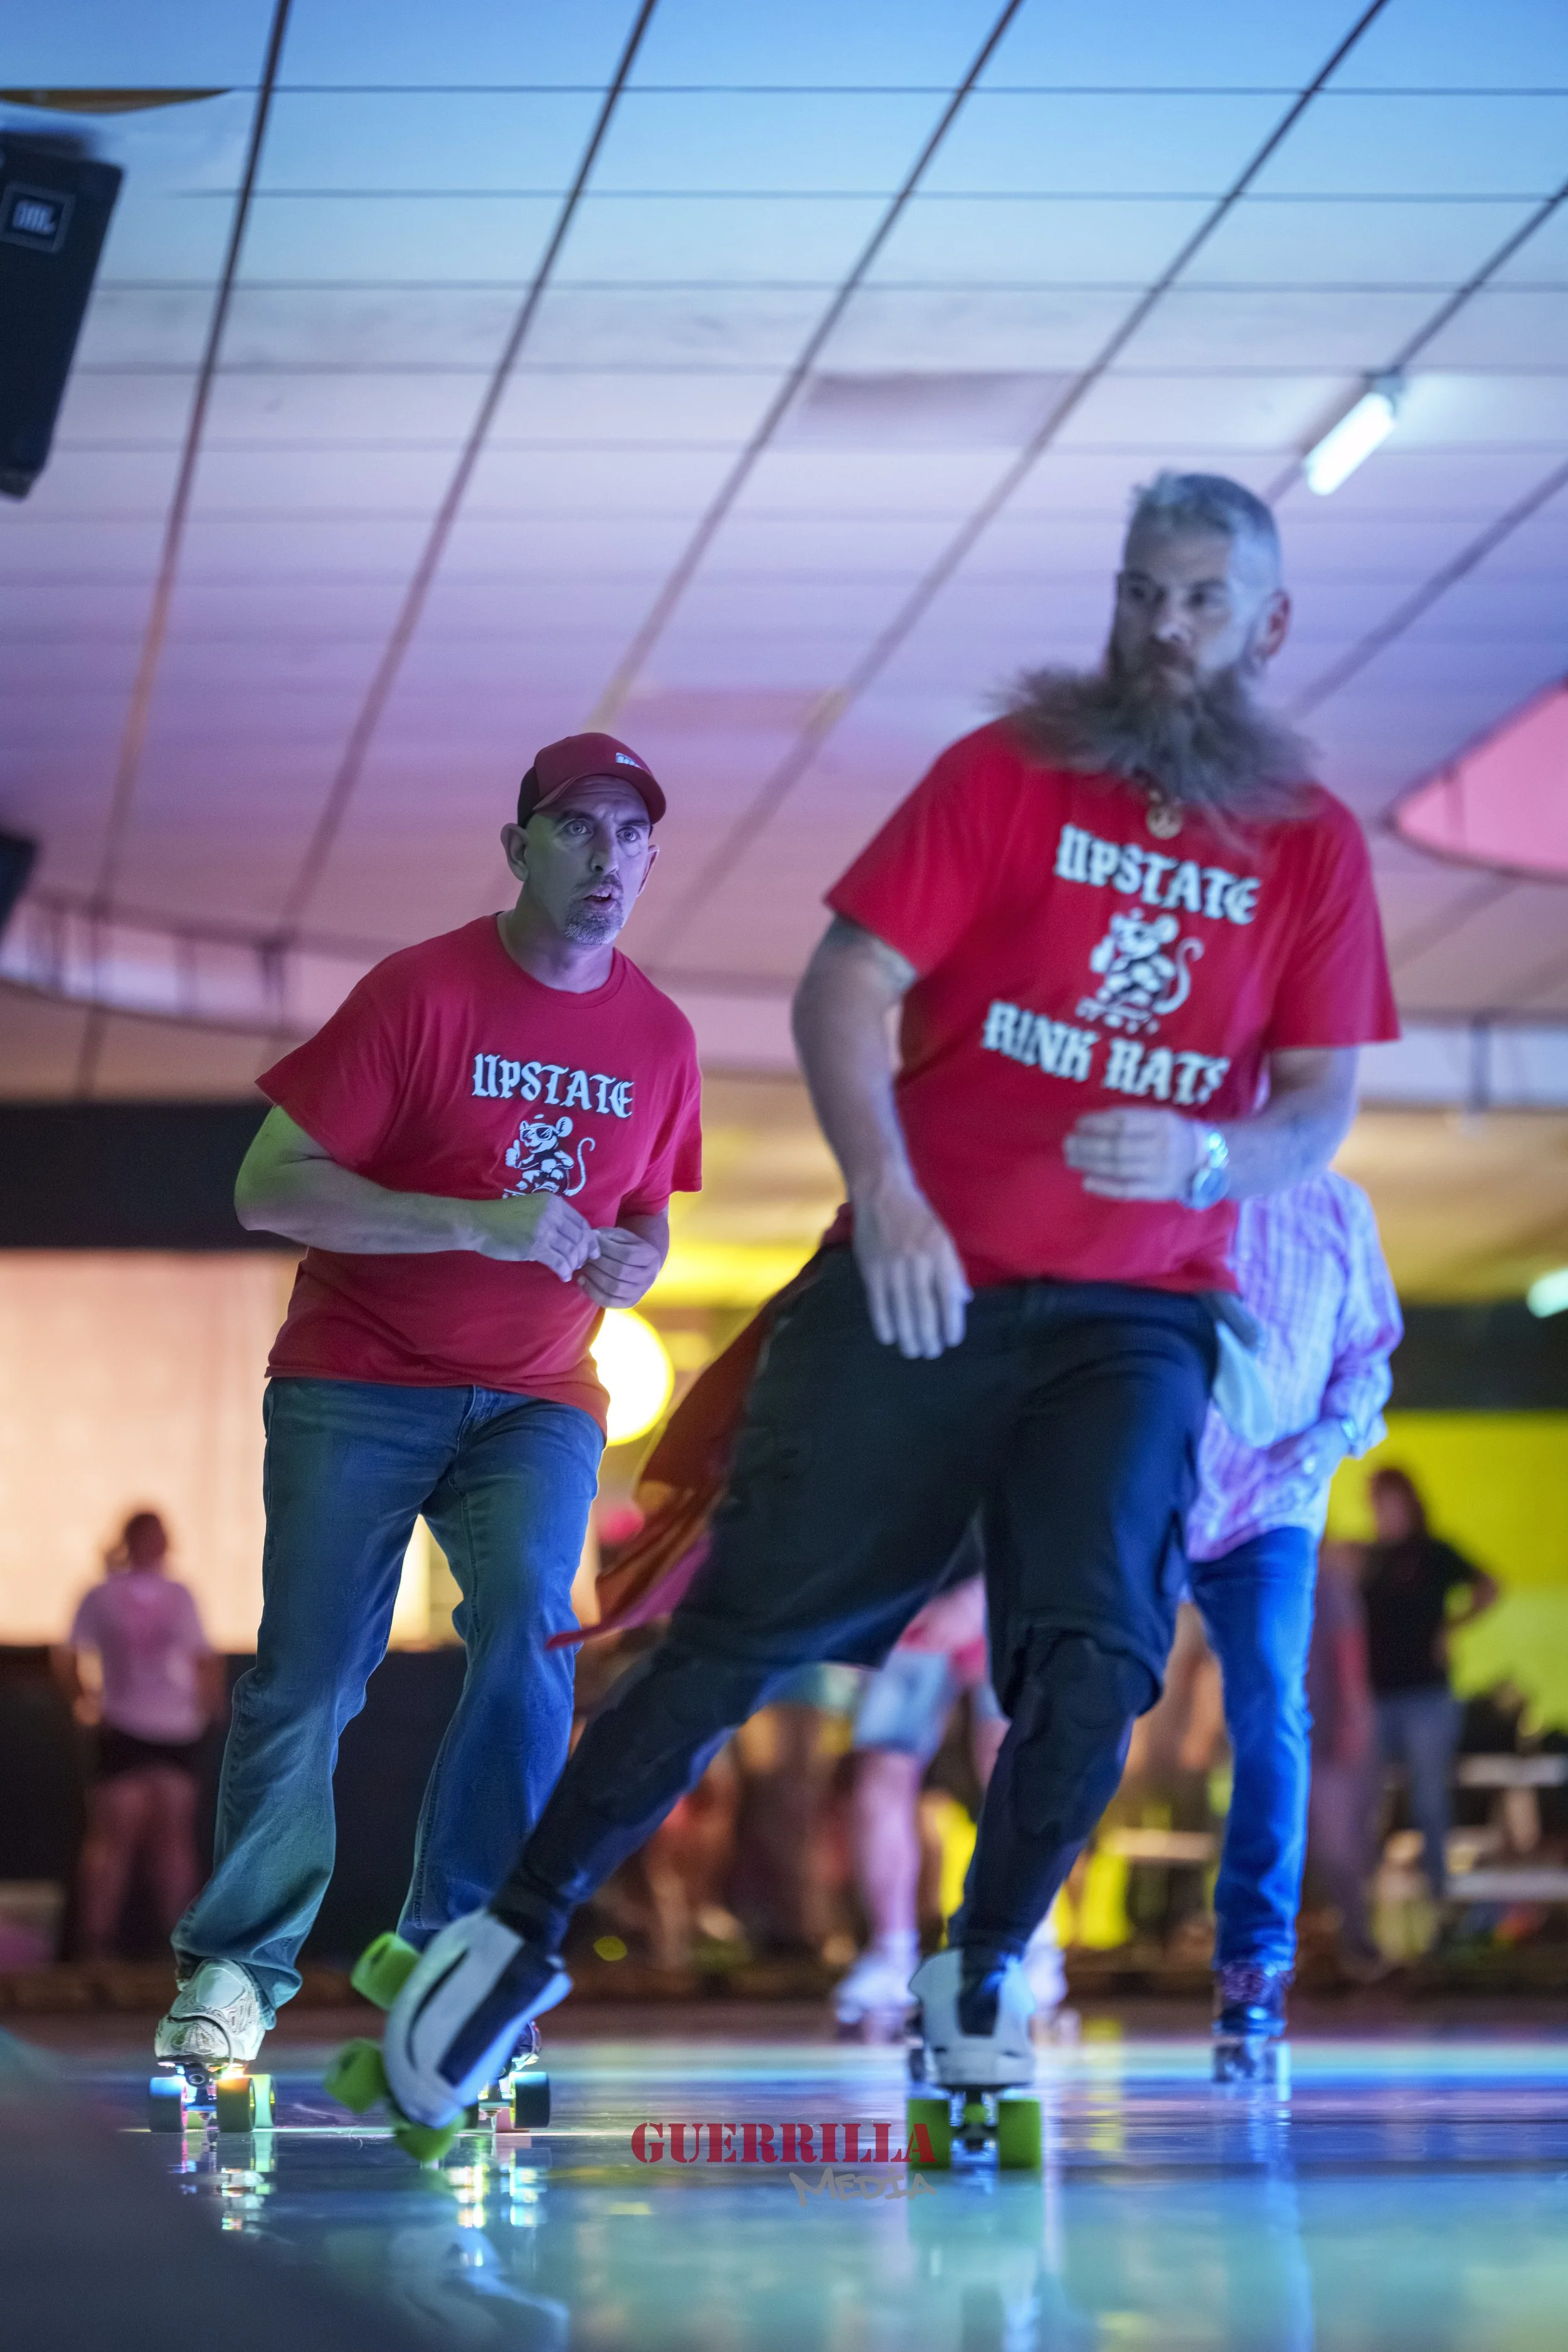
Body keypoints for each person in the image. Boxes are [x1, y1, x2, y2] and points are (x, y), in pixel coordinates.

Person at [374, 469, 1400, 2132]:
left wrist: (1214, 1159)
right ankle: (513, 1931)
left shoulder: (1307, 849)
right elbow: (843, 982)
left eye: (1202, 599)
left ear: (1265, 625)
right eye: (1141, 590)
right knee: (746, 1621)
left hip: (1136, 1306)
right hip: (917, 1270)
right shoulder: (1002, 774)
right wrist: (896, 1189)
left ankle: (983, 1962)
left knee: (1099, 1652)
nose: (1161, 627)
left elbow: (1314, 1106)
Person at [155, 733, 701, 2075]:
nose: (607, 859)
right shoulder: (420, 993)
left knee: (531, 1627)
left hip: (540, 1397)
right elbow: (267, 1187)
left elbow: (643, 1215)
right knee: (312, 1677)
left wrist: (640, 1260)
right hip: (359, 1377)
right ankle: (237, 1970)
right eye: (577, 828)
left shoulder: (659, 1034)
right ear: (518, 848)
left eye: (631, 836)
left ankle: (460, 1964)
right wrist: (480, 1220)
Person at [1184, 1172, 1402, 2067]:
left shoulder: (1341, 1206)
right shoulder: (1182, 1174)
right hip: (1160, 1490)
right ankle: (1013, 1942)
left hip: (1274, 1506)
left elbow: (1370, 1354)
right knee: (1081, 1694)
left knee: (1273, 1711)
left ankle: (1254, 1963)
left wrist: (1330, 1435)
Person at [832, 1543, 1066, 2034]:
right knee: (883, 1766)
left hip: (1013, 1588)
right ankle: (890, 1953)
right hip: (908, 1593)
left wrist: (987, 1589)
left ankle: (1032, 1943)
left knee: (1009, 1755)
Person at [55, 1510, 223, 1959]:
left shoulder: (180, 1595)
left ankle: (181, 1946)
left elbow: (202, 1657)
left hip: (176, 1731)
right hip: (124, 1728)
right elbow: (70, 1654)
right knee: (113, 1839)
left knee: (173, 1841)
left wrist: (208, 1709)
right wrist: (85, 1705)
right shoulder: (101, 1595)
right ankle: (96, 1945)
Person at [1360, 1466, 1498, 1909]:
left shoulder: (1434, 1553)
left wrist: (1451, 1627)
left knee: (1430, 1802)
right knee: (1363, 1803)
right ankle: (1365, 1903)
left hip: (1425, 1696)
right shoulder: (1369, 1560)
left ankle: (1438, 1901)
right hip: (1376, 1697)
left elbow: (1488, 1586)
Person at [1304, 1540, 1382, 1976]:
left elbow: (1348, 1647)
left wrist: (1352, 1716)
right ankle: (1335, 1945)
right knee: (1307, 1848)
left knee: (1339, 1848)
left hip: (1328, 1728)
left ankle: (1360, 1943)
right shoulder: (1268, 1568)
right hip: (1295, 1730)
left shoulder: (1327, 1577)